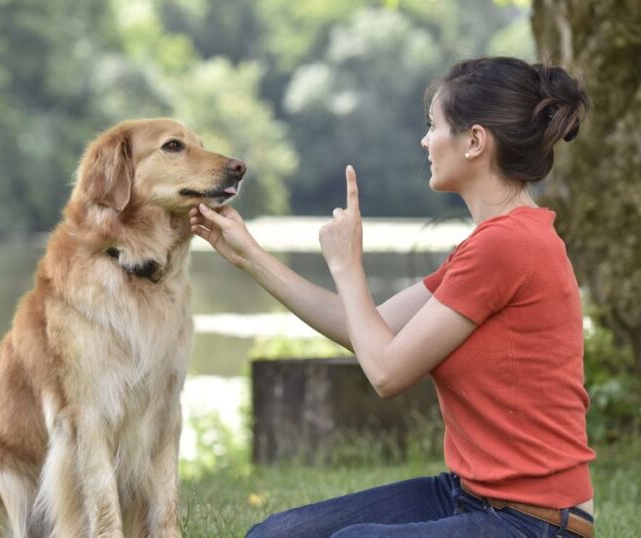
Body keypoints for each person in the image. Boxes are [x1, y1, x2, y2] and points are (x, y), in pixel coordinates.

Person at [190, 56, 596, 537]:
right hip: (469, 496)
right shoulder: (492, 244)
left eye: (434, 126)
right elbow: (369, 329)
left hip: (533, 521)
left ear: (474, 141)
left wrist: (348, 266)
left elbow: (385, 372)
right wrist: (249, 255)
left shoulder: (508, 246)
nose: (425, 141)